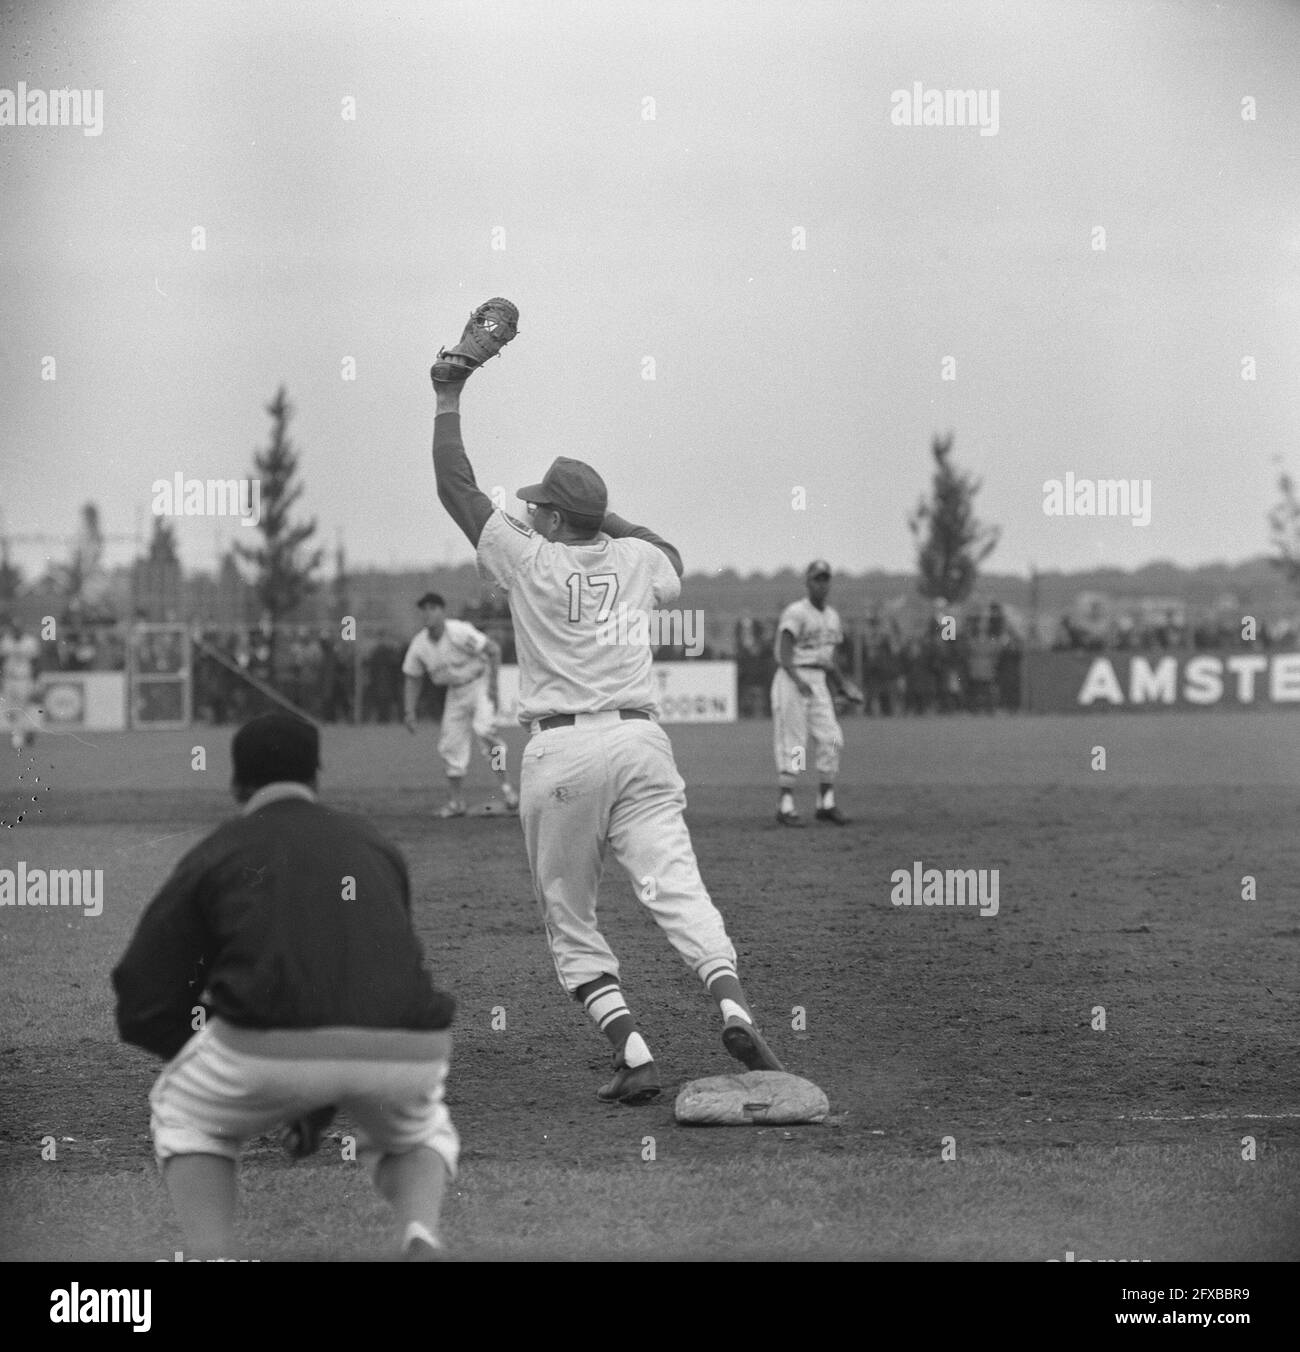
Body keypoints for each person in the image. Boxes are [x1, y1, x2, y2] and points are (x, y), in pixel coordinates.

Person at [429, 361, 784, 1105]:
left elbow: (455, 490)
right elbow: (672, 556)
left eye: (540, 508)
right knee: (679, 890)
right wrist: (607, 521)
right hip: (640, 743)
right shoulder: (636, 558)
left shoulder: (529, 558)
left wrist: (449, 395)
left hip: (561, 750)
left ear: (556, 521)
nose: (528, 513)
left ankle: (633, 1049)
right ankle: (732, 1003)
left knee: (568, 913)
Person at [110, 713, 458, 1260]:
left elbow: (141, 996)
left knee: (184, 1113)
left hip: (267, 1044)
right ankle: (420, 1232)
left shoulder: (219, 851)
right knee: (417, 1131)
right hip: (409, 1043)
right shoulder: (373, 844)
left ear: (236, 784)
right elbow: (374, 970)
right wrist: (315, 1098)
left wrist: (239, 1062)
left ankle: (212, 1254)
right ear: (316, 775)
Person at [402, 592, 518, 817]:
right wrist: (409, 711)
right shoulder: (419, 644)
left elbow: (492, 649)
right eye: (424, 609)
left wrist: (493, 687)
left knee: (484, 730)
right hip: (455, 692)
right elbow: (412, 677)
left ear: (442, 611)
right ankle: (456, 802)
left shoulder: (458, 631)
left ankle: (508, 790)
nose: (427, 613)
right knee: (450, 744)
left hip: (479, 683)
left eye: (432, 608)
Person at [770, 562, 851, 826]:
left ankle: (825, 803)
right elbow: (784, 652)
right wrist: (797, 680)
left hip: (817, 680)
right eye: (817, 579)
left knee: (832, 738)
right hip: (792, 678)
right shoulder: (796, 612)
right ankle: (786, 805)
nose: (822, 584)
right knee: (795, 744)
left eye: (826, 579)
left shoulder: (832, 617)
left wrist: (843, 685)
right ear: (808, 582)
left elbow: (827, 659)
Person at [1, 617, 42, 751]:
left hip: (24, 678)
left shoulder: (30, 642)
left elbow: (36, 662)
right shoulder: (6, 641)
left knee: (24, 707)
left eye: (18, 628)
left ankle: (21, 735)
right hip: (9, 678)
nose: (16, 631)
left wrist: (36, 680)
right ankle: (21, 733)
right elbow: (1, 661)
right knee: (10, 709)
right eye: (14, 628)